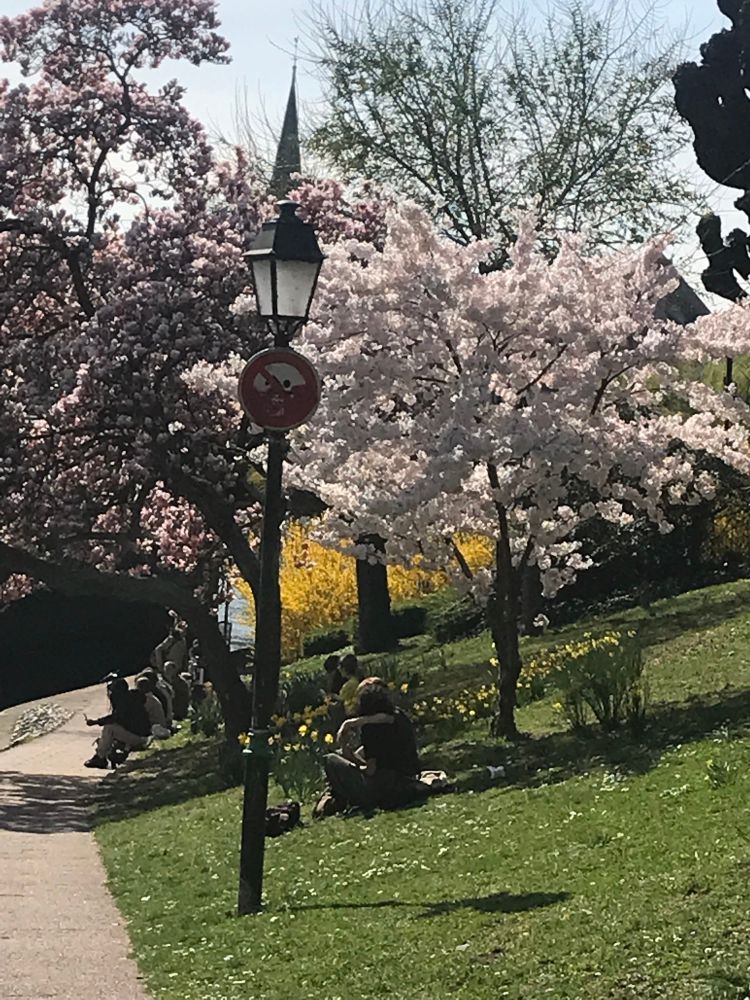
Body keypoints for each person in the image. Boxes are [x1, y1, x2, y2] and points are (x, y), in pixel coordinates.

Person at [321, 677, 427, 812]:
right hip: (409, 778)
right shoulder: (398, 716)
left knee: (330, 759)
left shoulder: (370, 729)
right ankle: (332, 797)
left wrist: (352, 758)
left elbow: (370, 771)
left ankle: (334, 799)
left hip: (385, 789)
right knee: (341, 755)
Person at [84, 678, 151, 768]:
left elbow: (115, 717)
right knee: (113, 727)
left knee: (109, 728)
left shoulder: (125, 701)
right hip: (143, 735)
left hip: (139, 738)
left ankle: (100, 757)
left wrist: (96, 722)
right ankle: (106, 753)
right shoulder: (132, 697)